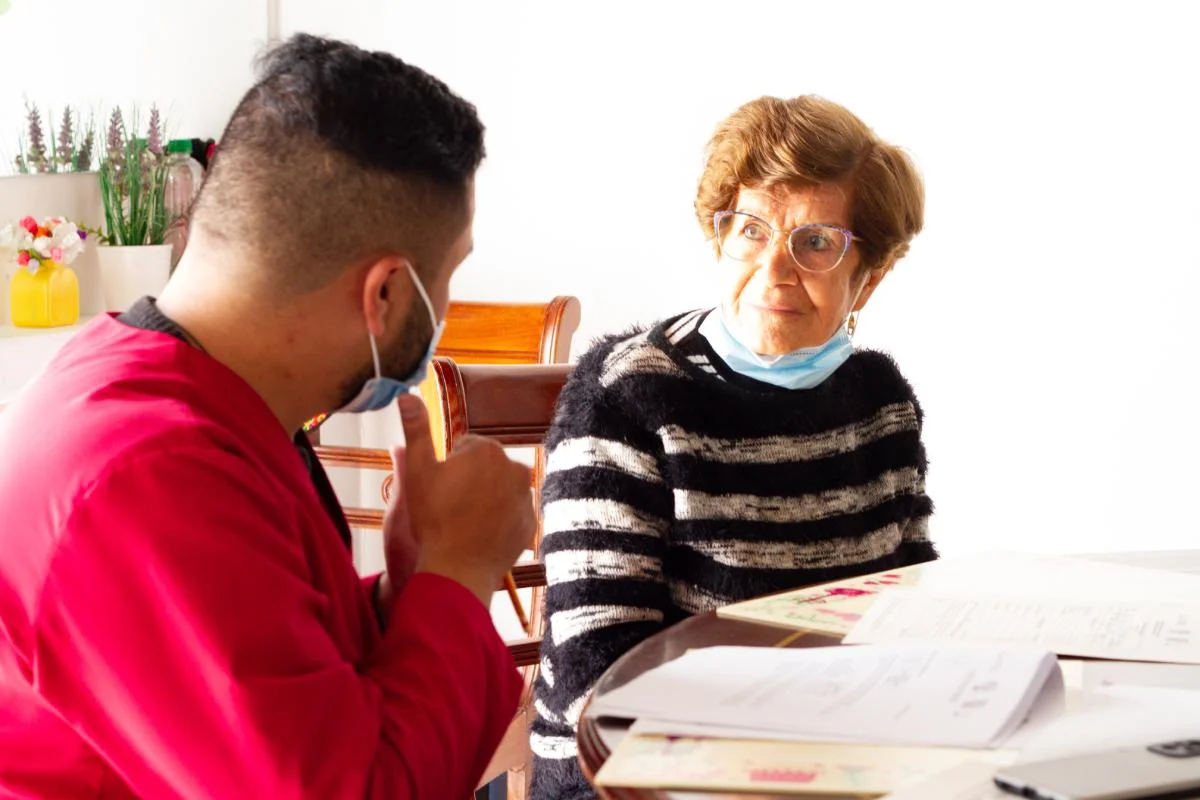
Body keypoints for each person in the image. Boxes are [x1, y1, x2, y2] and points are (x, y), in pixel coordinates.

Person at [0, 34, 534, 799]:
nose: (444, 304)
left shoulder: (188, 394)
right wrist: (465, 570)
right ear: (385, 294)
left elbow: (293, 687)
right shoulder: (148, 473)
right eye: (449, 273)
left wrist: (409, 590)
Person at [530, 95, 937, 798]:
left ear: (870, 274)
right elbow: (595, 672)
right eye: (751, 230)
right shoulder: (626, 396)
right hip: (635, 778)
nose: (776, 271)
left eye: (815, 242)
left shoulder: (880, 403)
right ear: (719, 238)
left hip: (830, 769)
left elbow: (913, 611)